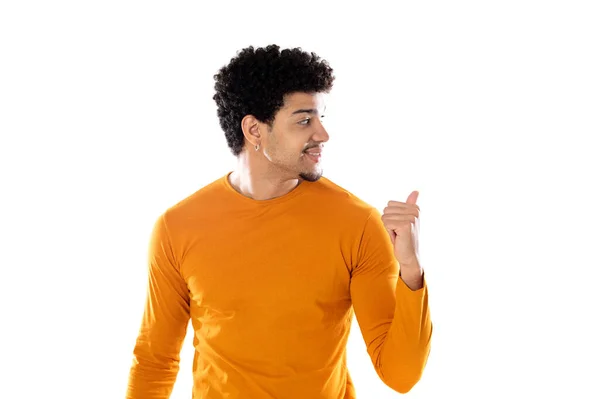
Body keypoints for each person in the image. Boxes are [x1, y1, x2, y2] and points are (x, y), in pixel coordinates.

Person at [126, 44, 432, 399]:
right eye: (304, 120)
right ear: (254, 130)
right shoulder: (177, 227)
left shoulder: (357, 223)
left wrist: (410, 270)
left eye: (321, 118)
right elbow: (154, 361)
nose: (322, 134)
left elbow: (400, 375)